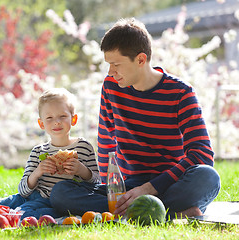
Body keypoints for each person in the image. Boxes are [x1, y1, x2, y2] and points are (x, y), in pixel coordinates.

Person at [50, 18, 221, 219]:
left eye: (116, 64)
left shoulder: (181, 93)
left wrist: (150, 189)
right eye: (108, 64)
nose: (110, 72)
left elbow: (202, 154)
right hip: (128, 187)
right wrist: (109, 188)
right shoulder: (111, 87)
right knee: (60, 193)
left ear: (140, 60)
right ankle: (168, 212)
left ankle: (138, 211)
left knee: (208, 177)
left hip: (170, 183)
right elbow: (106, 141)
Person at [0, 88, 100, 220]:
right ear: (41, 124)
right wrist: (38, 172)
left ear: (73, 119)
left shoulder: (83, 147)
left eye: (62, 116)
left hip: (52, 204)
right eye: (49, 118)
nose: (56, 122)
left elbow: (96, 183)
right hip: (32, 195)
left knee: (24, 214)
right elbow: (23, 190)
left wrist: (81, 170)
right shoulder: (38, 152)